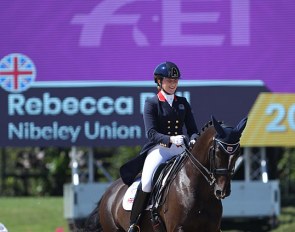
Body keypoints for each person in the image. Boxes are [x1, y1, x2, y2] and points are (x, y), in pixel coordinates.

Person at [120, 61, 199, 232]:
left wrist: (193, 140)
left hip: (181, 149)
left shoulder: (183, 102)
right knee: (147, 182)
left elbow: (193, 130)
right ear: (159, 81)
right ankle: (134, 223)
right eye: (169, 80)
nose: (173, 84)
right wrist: (171, 139)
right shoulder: (152, 103)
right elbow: (151, 133)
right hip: (159, 149)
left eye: (175, 80)